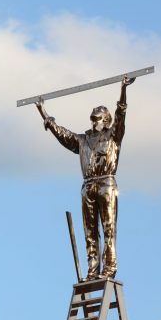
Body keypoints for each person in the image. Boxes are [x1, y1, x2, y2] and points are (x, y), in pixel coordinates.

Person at [36, 76, 135, 280]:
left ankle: (109, 267)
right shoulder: (83, 140)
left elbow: (121, 114)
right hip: (87, 186)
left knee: (108, 228)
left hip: (106, 183)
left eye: (97, 118)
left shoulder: (113, 135)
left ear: (105, 120)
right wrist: (42, 112)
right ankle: (93, 269)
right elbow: (62, 134)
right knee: (90, 231)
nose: (93, 121)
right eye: (92, 118)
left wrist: (123, 89)